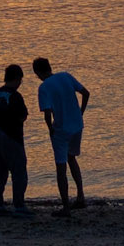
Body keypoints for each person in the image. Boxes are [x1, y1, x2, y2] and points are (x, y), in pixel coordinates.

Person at [33, 57, 90, 212]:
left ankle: (65, 207)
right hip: (77, 126)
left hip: (62, 129)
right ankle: (80, 196)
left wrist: (50, 129)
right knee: (72, 158)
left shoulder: (44, 87)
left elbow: (47, 113)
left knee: (61, 167)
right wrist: (80, 113)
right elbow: (86, 93)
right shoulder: (65, 76)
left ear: (37, 73)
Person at [0, 63, 29, 214]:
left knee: (0, 171)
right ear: (16, 78)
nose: (20, 83)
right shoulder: (16, 96)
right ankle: (19, 206)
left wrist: (0, 116)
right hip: (12, 137)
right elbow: (22, 117)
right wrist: (11, 118)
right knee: (19, 171)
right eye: (20, 80)